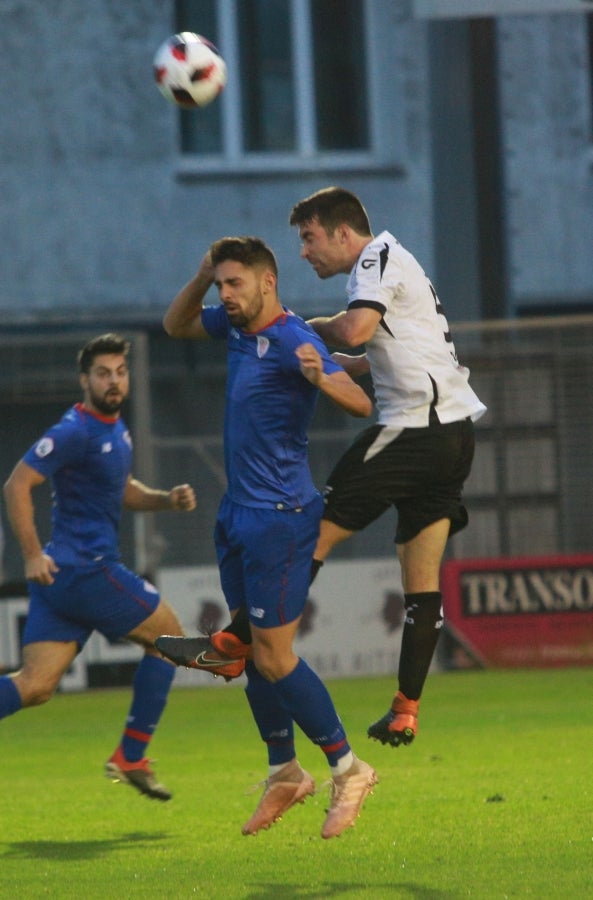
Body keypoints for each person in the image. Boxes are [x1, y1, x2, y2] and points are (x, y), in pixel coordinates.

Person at [162, 188, 486, 751]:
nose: (306, 252)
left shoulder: (373, 259)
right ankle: (406, 709)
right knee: (420, 575)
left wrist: (310, 329)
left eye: (309, 238)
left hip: (414, 430)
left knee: (310, 530)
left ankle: (234, 643)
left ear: (342, 232)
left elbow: (357, 331)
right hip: (454, 436)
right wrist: (333, 360)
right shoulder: (398, 264)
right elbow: (382, 353)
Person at [156, 236, 378, 839]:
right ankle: (284, 771)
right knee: (252, 650)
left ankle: (349, 767)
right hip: (237, 515)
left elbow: (360, 401)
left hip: (281, 517)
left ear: (267, 282)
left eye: (235, 283)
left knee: (275, 656)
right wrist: (201, 274)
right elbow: (174, 325)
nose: (226, 294)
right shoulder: (232, 327)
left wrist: (323, 378)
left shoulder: (294, 338)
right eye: (221, 284)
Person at [1, 333, 196, 801]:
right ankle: (132, 754)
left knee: (36, 686)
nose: (114, 381)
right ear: (84, 379)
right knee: (172, 641)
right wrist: (30, 552)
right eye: (104, 373)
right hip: (86, 570)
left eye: (121, 372)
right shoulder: (76, 430)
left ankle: (132, 755)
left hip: (63, 581)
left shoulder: (113, 428)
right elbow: (16, 485)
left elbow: (121, 488)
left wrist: (165, 501)